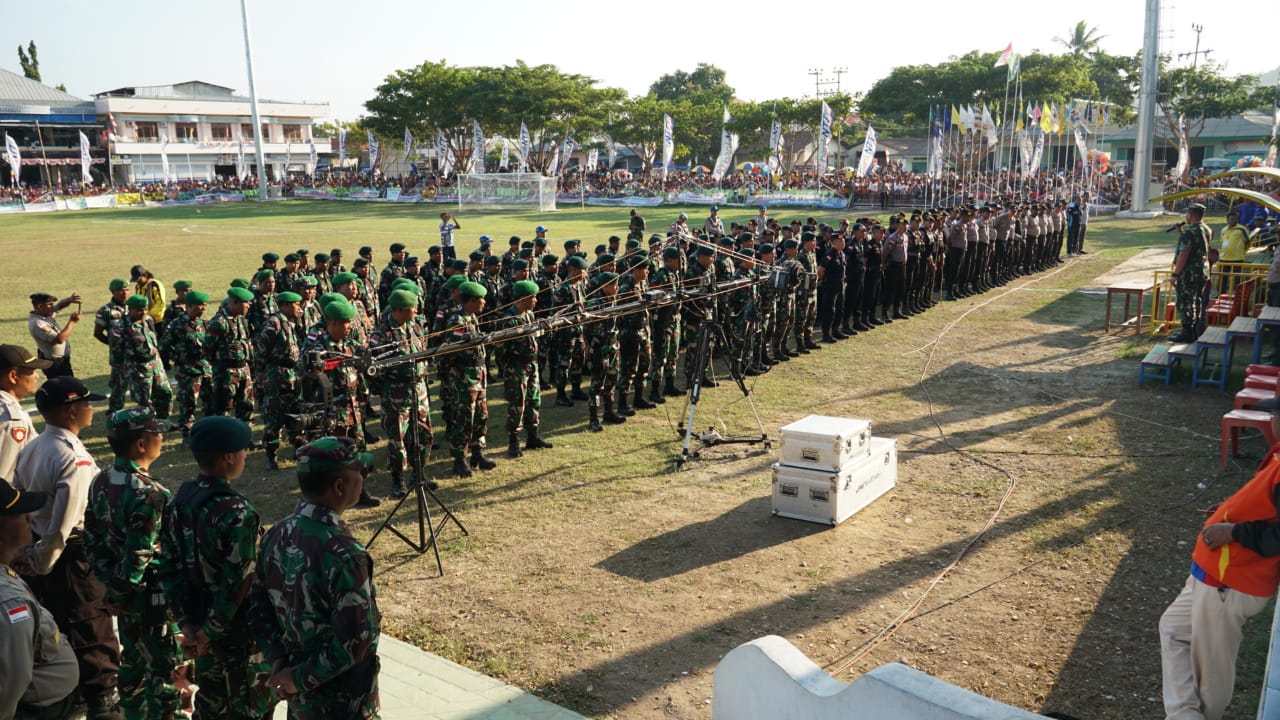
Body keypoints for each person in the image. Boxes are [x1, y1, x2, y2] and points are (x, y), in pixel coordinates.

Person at [248, 437, 381, 719]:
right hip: (344, 704)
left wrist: (280, 661)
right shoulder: (345, 555)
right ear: (340, 486)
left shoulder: (277, 533)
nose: (364, 479)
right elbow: (356, 641)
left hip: (300, 700)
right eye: (362, 472)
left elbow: (258, 607)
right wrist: (297, 678)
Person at [13, 376, 122, 720]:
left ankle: (74, 699)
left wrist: (31, 556)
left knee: (59, 630)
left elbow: (23, 504)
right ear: (72, 410)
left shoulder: (33, 447)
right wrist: (43, 561)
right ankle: (101, 704)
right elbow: (64, 524)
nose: (92, 409)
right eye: (88, 403)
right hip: (69, 560)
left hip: (39, 552)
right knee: (91, 634)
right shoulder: (75, 459)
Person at [156, 416, 275, 720]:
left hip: (197, 625)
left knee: (211, 705)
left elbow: (168, 566)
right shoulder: (237, 512)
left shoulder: (178, 501)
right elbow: (238, 581)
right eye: (243, 451)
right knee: (249, 708)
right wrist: (210, 632)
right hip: (236, 635)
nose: (245, 457)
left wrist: (187, 623)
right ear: (228, 458)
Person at [1159, 438, 1280, 720]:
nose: (1272, 420)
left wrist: (1233, 532)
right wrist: (1228, 511)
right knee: (1173, 630)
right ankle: (1184, 715)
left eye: (1275, 413)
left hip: (1231, 582)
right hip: (1214, 574)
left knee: (1211, 675)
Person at [83, 407, 184, 720]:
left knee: (133, 663)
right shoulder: (151, 493)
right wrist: (119, 591)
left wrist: (109, 586)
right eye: (156, 434)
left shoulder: (100, 481)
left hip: (123, 597)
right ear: (141, 444)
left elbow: (92, 540)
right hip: (150, 597)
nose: (161, 440)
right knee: (165, 669)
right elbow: (140, 553)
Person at [0, 477, 79, 720]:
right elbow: (9, 684)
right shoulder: (9, 603)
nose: (29, 518)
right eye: (18, 513)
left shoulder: (6, 571)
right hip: (36, 710)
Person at [368, 290, 432, 498]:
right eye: (412, 308)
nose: (416, 310)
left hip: (418, 390)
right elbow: (372, 370)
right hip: (396, 394)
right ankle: (398, 480)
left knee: (423, 433)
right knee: (398, 439)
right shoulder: (381, 335)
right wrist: (385, 388)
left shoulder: (414, 326)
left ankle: (419, 474)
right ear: (399, 310)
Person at [0, 345, 47, 484]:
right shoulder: (12, 420)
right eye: (31, 371)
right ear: (13, 376)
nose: (37, 377)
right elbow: (4, 474)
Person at [119, 295, 172, 418]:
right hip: (139, 369)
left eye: (145, 309)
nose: (143, 312)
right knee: (144, 401)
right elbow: (117, 351)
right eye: (139, 310)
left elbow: (154, 339)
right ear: (130, 309)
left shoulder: (148, 319)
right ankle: (148, 427)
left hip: (156, 366)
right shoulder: (121, 327)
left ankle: (164, 421)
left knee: (165, 394)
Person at [1172, 203, 1212, 343]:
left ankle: (1187, 331)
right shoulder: (1207, 230)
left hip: (1188, 273)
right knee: (1197, 299)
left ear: (1190, 215)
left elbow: (1184, 254)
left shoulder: (1189, 232)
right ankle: (1195, 330)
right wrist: (1181, 233)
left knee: (1185, 301)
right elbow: (1198, 246)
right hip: (1201, 271)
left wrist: (1175, 274)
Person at [93, 280, 130, 412]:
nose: (125, 293)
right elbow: (97, 333)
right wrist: (113, 345)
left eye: (126, 289)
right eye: (121, 290)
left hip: (137, 356)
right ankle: (114, 414)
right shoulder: (105, 311)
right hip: (119, 358)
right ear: (113, 292)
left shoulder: (134, 306)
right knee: (118, 389)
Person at [27, 291, 83, 379]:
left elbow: (59, 306)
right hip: (55, 364)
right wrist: (72, 322)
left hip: (59, 362)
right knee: (64, 387)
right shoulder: (38, 323)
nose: (53, 307)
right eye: (50, 304)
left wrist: (69, 300)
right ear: (40, 306)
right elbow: (59, 339)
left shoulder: (44, 314)